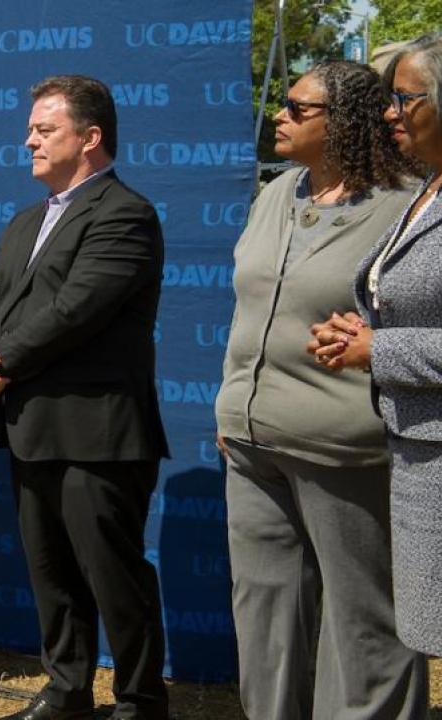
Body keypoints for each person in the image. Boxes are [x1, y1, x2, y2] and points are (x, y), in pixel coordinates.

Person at [217, 61, 426, 720]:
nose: (278, 114)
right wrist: (232, 402)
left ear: (342, 124)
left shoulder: (404, 209)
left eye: (296, 107)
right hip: (253, 445)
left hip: (348, 451)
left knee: (364, 629)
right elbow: (247, 309)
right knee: (264, 619)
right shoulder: (275, 194)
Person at [0, 75, 168, 720]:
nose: (29, 141)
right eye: (31, 130)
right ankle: (67, 693)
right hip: (30, 427)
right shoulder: (26, 221)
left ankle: (139, 702)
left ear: (91, 137)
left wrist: (0, 363)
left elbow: (75, 310)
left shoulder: (125, 213)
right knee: (53, 578)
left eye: (45, 130)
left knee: (114, 577)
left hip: (97, 433)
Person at [310, 34, 442, 659]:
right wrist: (356, 330)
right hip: (417, 452)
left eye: (405, 98)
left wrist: (379, 351)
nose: (390, 111)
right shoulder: (427, 190)